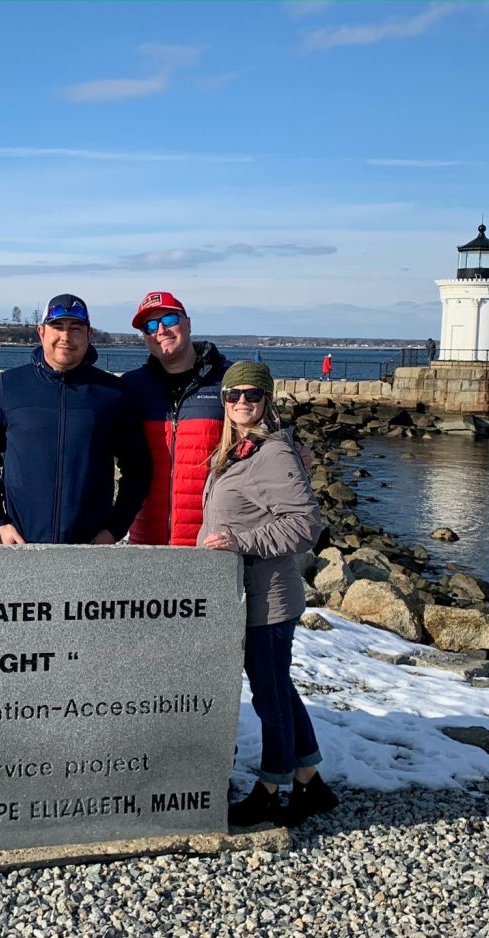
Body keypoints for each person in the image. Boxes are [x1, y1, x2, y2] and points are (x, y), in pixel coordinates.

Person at [198, 361, 336, 828]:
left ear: (267, 400)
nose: (241, 403)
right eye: (232, 396)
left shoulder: (273, 452)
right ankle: (310, 780)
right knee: (280, 688)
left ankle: (270, 789)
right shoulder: (240, 449)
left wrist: (243, 543)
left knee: (269, 696)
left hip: (268, 598)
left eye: (252, 396)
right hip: (248, 594)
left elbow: (304, 525)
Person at [0, 293, 150, 544]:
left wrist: (114, 529)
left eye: (76, 328)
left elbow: (138, 469)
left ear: (89, 335)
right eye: (58, 327)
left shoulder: (113, 393)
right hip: (21, 545)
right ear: (41, 332)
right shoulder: (8, 387)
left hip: (88, 548)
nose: (66, 337)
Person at [121, 291, 234, 547]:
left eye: (169, 320)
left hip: (212, 543)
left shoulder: (228, 381)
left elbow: (266, 437)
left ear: (188, 322)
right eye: (149, 326)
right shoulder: (131, 387)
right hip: (146, 542)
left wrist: (295, 449)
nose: (160, 330)